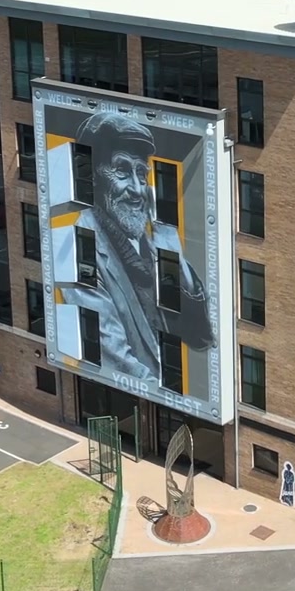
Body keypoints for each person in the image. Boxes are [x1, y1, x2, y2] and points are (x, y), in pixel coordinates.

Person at [53, 110, 214, 387]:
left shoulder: (152, 243)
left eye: (142, 174)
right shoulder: (82, 246)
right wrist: (166, 395)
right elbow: (114, 357)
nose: (137, 189)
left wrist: (176, 262)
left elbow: (201, 337)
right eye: (123, 171)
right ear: (94, 178)